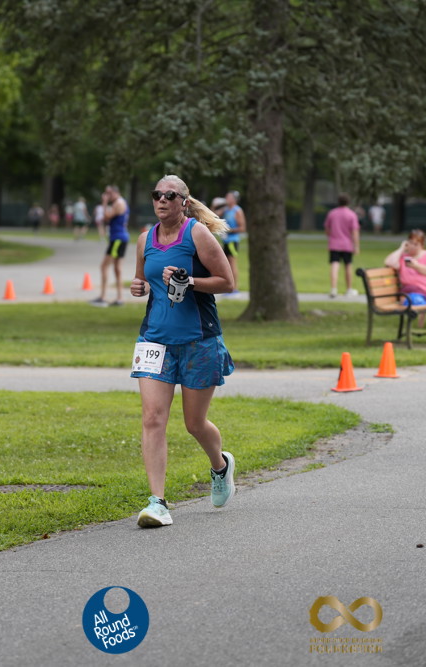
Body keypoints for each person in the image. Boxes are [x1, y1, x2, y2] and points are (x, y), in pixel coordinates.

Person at [129, 175, 236, 527]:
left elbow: (228, 282)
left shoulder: (197, 234)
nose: (162, 200)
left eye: (170, 195)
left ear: (184, 202)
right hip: (154, 340)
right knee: (152, 418)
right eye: (157, 194)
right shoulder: (145, 239)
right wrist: (139, 286)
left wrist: (189, 281)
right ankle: (157, 502)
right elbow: (143, 280)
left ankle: (220, 466)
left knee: (194, 423)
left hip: (198, 340)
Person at [91, 185, 130, 307]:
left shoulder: (119, 203)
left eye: (108, 193)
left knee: (104, 266)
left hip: (118, 239)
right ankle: (119, 298)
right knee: (117, 268)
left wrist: (104, 202)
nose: (106, 195)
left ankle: (103, 297)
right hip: (118, 238)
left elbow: (106, 217)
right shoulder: (120, 202)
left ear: (115, 192)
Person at [324, 194, 360, 297]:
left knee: (334, 264)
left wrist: (332, 236)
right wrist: (356, 246)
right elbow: (355, 232)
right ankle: (349, 289)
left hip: (334, 244)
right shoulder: (351, 214)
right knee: (348, 265)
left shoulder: (332, 213)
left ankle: (333, 289)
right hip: (347, 244)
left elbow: (327, 229)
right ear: (348, 202)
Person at [222, 190, 247, 297]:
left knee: (232, 264)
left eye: (228, 197)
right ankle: (229, 287)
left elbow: (242, 228)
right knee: (226, 264)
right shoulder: (226, 210)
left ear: (234, 199)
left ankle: (235, 289)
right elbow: (213, 214)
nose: (226, 199)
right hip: (225, 241)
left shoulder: (237, 211)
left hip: (233, 241)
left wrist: (229, 230)